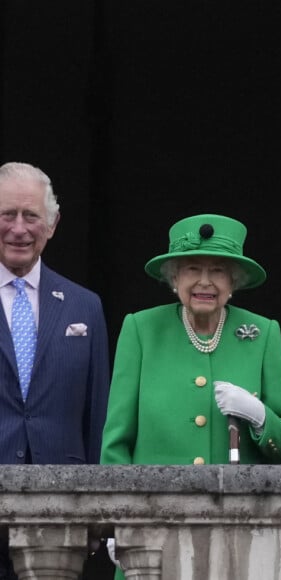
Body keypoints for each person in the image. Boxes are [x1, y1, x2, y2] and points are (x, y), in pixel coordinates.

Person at [100, 213, 281, 577]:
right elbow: (116, 442)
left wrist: (259, 416)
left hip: (239, 531)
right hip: (153, 527)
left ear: (233, 282)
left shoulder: (263, 333)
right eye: (192, 269)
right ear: (174, 278)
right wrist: (118, 518)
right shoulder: (141, 329)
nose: (205, 281)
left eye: (218, 271)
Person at [0, 162, 111, 579]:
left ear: (52, 224)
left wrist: (101, 505)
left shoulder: (85, 306)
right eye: (7, 214)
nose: (18, 228)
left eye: (31, 216)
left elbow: (98, 414)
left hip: (62, 507)